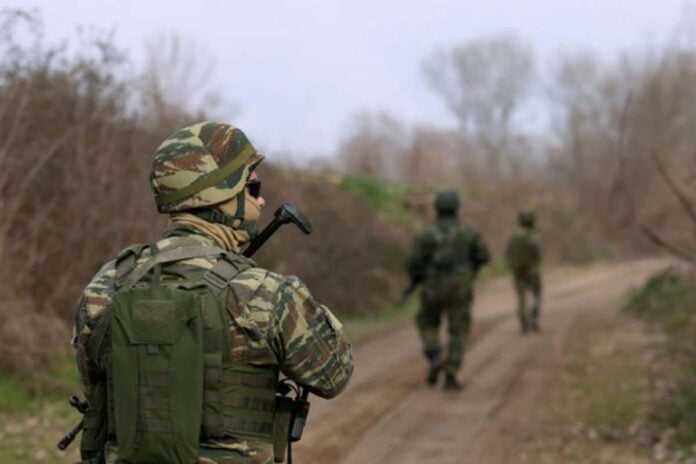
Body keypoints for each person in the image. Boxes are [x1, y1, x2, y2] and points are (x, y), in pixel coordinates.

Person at [72, 122, 354, 464]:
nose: (262, 200)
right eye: (253, 188)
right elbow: (334, 375)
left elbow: (96, 386)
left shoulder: (109, 282)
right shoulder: (266, 293)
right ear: (221, 193)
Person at [406, 189, 490, 391]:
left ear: (437, 208)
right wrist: (470, 274)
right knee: (459, 329)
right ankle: (451, 374)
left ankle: (434, 353)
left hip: (433, 287)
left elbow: (413, 264)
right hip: (461, 287)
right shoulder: (468, 233)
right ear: (457, 208)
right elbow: (484, 256)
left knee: (426, 321)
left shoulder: (427, 235)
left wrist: (418, 279)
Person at [505, 210, 542, 334]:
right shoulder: (533, 236)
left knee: (521, 297)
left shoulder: (513, 236)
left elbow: (508, 253)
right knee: (536, 295)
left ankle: (523, 322)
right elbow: (538, 254)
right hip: (532, 270)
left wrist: (512, 266)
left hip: (517, 271)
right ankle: (534, 319)